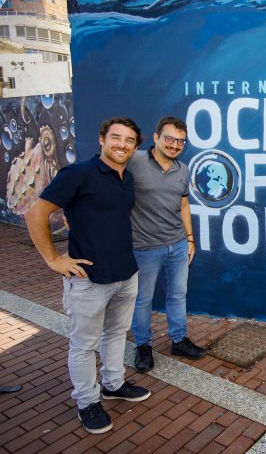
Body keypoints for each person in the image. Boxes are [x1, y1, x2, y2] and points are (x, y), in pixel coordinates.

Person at [25, 118, 151, 435]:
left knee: (116, 335)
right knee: (83, 345)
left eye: (129, 140)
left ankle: (113, 384)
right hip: (89, 280)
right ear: (101, 139)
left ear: (136, 146)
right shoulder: (78, 174)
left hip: (125, 274)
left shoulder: (127, 179)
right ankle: (87, 402)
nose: (122, 145)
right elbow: (36, 213)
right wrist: (53, 258)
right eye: (116, 138)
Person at [129, 117, 205, 373]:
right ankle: (142, 346)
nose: (174, 145)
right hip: (144, 247)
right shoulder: (133, 161)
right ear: (156, 137)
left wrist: (190, 239)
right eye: (170, 139)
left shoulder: (182, 169)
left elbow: (184, 205)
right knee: (142, 300)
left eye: (180, 141)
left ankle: (179, 340)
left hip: (178, 245)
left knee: (177, 295)